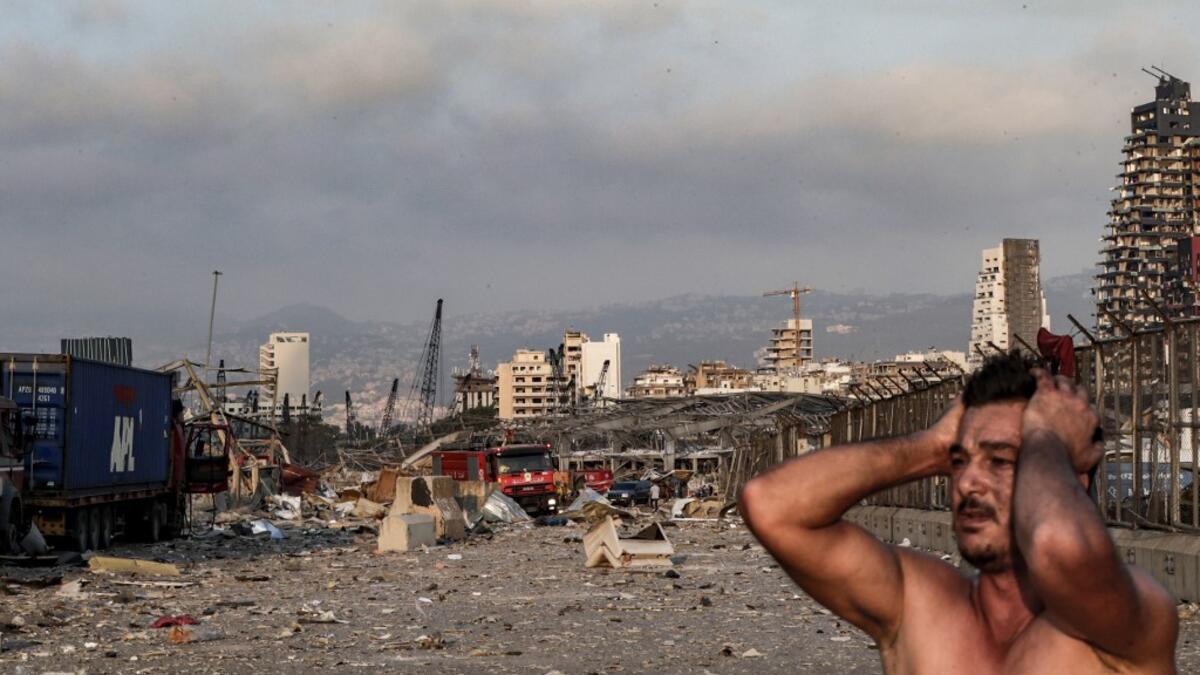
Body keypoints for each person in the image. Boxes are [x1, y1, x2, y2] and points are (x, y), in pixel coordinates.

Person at [740, 352, 1178, 674]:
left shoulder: (1121, 623)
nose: (967, 483)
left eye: (1001, 461)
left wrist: (1046, 434)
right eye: (960, 462)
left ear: (1069, 478)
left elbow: (1056, 546)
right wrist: (933, 446)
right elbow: (770, 504)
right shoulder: (920, 606)